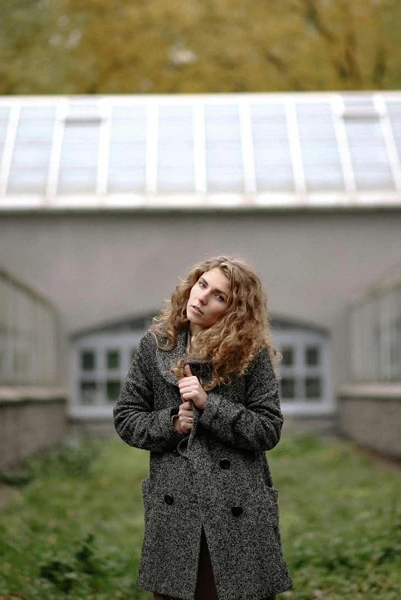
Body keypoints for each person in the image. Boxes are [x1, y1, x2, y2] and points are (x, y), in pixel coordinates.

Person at [113, 256, 294, 600]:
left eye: (219, 296)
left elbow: (268, 428)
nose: (202, 297)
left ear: (236, 311)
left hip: (237, 511)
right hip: (176, 510)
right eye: (202, 285)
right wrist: (171, 424)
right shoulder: (156, 346)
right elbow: (126, 417)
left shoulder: (250, 355)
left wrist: (210, 405)